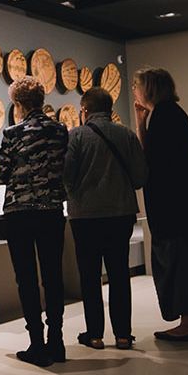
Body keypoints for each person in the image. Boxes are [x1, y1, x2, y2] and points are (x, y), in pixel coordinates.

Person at [133, 67, 188, 341]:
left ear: (149, 88)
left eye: (137, 85)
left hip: (176, 206)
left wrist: (140, 126)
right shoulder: (170, 113)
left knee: (180, 260)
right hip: (187, 204)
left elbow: (153, 160)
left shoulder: (164, 115)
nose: (134, 91)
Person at [63, 87, 147, 350]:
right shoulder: (127, 135)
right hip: (120, 213)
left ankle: (95, 334)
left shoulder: (75, 136)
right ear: (110, 110)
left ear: (84, 110)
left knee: (89, 276)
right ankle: (123, 334)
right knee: (120, 274)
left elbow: (67, 176)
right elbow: (141, 176)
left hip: (85, 216)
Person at [0, 76, 70, 367]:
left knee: (26, 278)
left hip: (21, 213)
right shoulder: (60, 130)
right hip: (52, 211)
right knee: (53, 276)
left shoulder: (13, 133)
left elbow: (1, 174)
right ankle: (58, 341)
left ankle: (37, 343)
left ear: (18, 103)